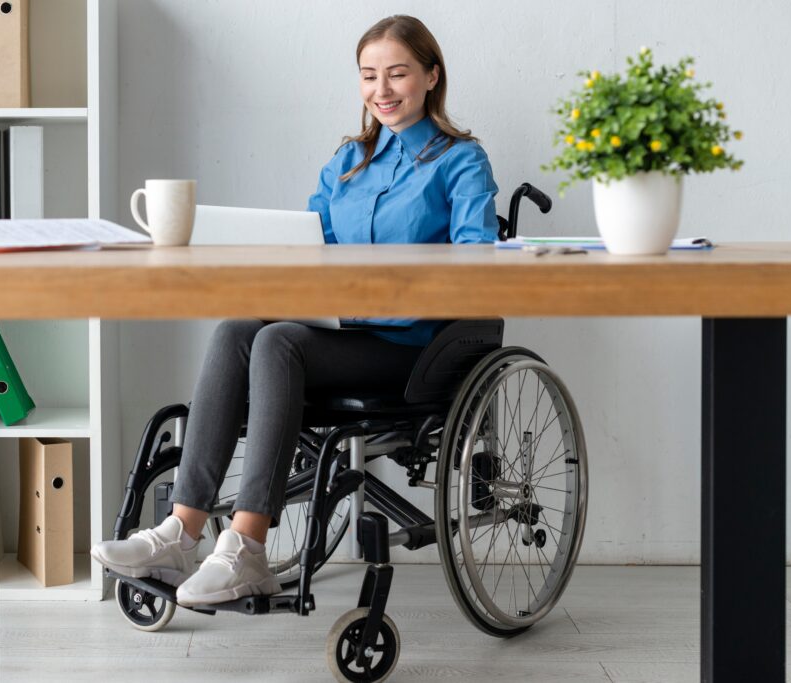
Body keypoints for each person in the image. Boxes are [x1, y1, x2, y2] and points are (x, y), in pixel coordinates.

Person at [90, 14, 500, 607]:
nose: (381, 90)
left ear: (432, 76)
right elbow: (310, 249)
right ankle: (180, 532)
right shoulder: (347, 163)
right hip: (333, 330)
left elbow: (475, 267)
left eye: (397, 74)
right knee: (239, 328)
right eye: (368, 76)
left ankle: (248, 548)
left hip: (412, 349)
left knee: (277, 341)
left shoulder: (461, 161)